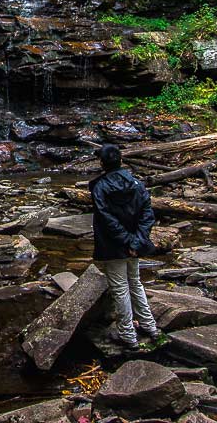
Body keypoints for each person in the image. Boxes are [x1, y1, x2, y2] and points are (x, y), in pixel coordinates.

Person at [89, 143, 159, 349]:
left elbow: (106, 219)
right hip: (134, 245)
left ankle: (128, 334)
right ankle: (149, 325)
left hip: (113, 245)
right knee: (135, 282)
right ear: (121, 160)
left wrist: (128, 241)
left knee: (120, 288)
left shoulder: (100, 187)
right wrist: (136, 242)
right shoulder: (137, 184)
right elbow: (147, 216)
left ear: (102, 163)